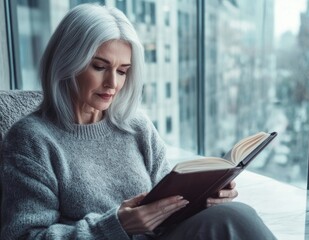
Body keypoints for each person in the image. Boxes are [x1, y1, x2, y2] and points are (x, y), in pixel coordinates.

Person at [0, 4, 276, 240]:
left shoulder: (135, 126)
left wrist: (204, 200)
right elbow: (25, 236)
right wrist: (114, 227)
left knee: (234, 214)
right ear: (67, 62)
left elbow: (167, 204)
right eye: (99, 67)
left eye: (123, 71)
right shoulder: (31, 139)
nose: (113, 84)